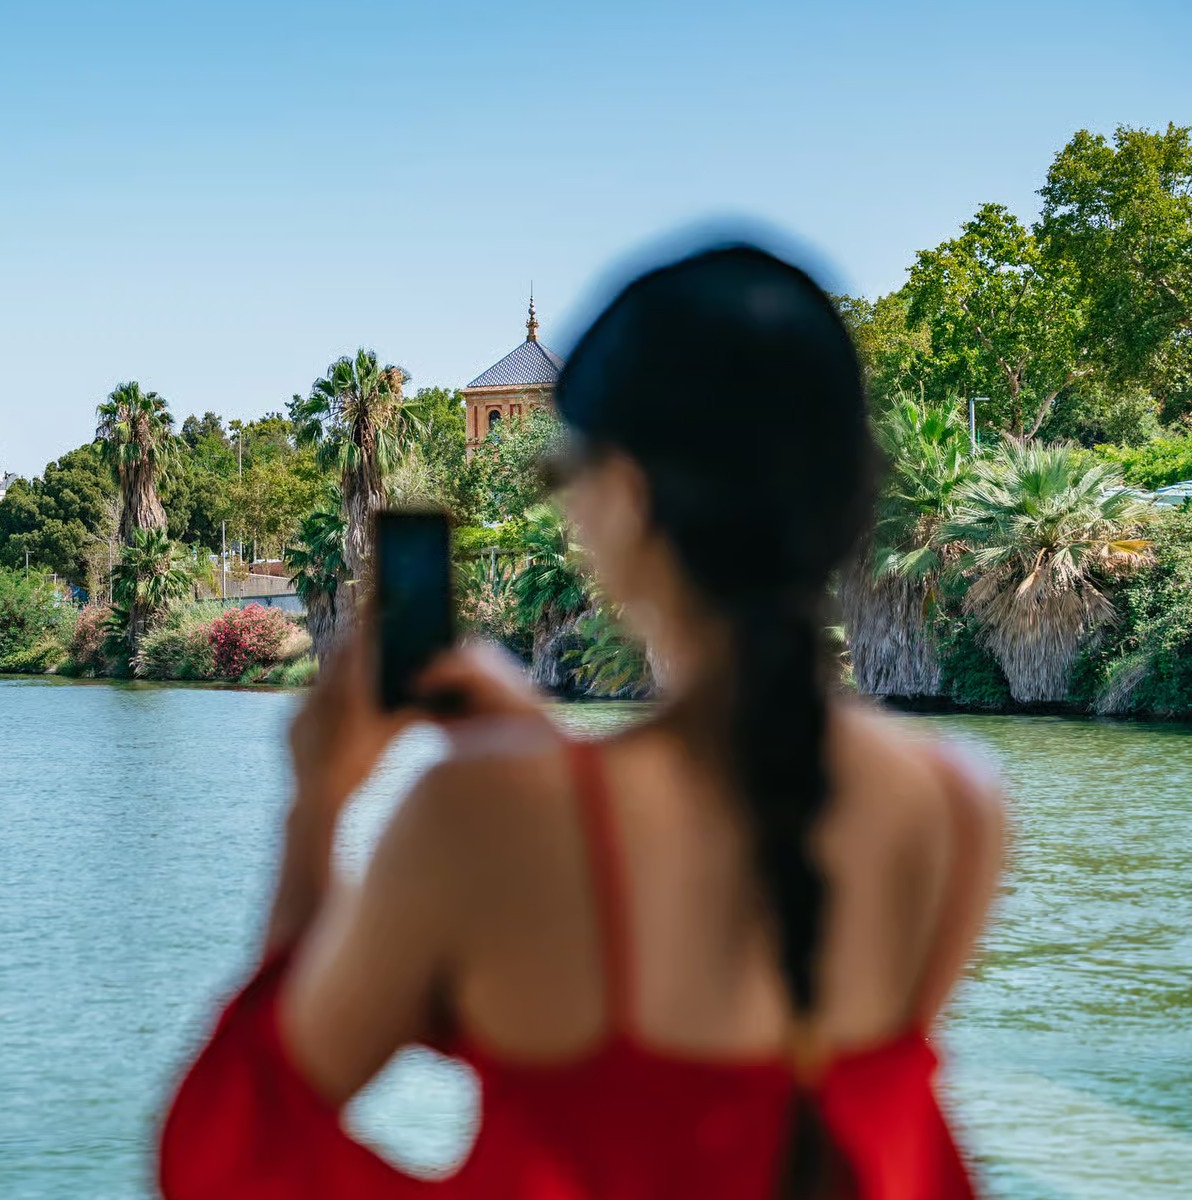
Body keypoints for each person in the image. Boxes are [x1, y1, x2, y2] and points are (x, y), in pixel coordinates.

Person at [158, 245, 1007, 1199]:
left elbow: (236, 1145)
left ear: (627, 494)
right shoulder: (956, 808)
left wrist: (318, 802)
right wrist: (545, 757)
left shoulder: (481, 814)